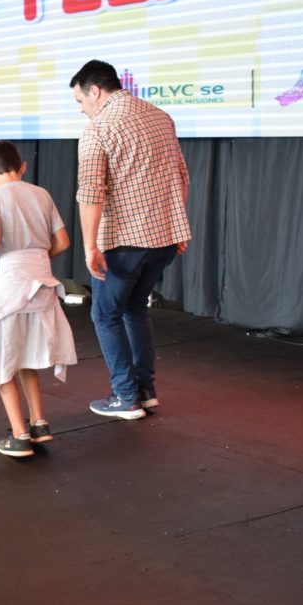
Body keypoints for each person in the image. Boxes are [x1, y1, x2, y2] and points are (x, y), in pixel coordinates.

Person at [70, 59, 191, 420]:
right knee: (134, 308)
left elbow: (91, 192)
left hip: (124, 242)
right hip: (164, 238)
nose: (82, 110)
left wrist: (90, 246)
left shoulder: (98, 129)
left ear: (95, 91)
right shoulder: (159, 116)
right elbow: (182, 176)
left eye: (80, 102)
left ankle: (126, 397)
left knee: (105, 314)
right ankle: (145, 390)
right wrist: (176, 225)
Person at [0, 141, 78, 458]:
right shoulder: (41, 193)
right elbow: (63, 241)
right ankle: (39, 423)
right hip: (43, 283)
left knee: (3, 361)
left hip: (12, 286)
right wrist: (38, 257)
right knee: (27, 358)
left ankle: (19, 435)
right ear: (22, 167)